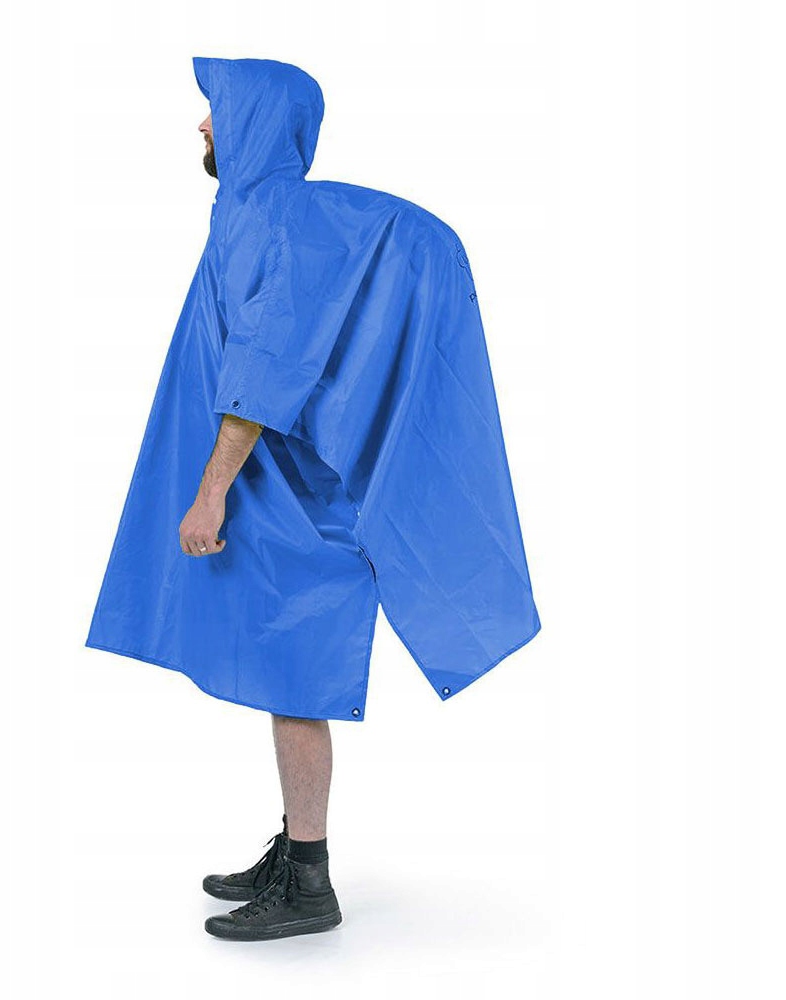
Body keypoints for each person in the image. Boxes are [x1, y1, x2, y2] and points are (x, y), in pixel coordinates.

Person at [85, 57, 541, 941]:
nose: (203, 125)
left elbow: (266, 368)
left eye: (217, 110)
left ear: (254, 120)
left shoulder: (282, 224)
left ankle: (309, 881)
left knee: (297, 677)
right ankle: (294, 846)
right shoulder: (261, 216)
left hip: (295, 497)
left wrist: (210, 495)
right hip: (280, 490)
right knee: (278, 672)